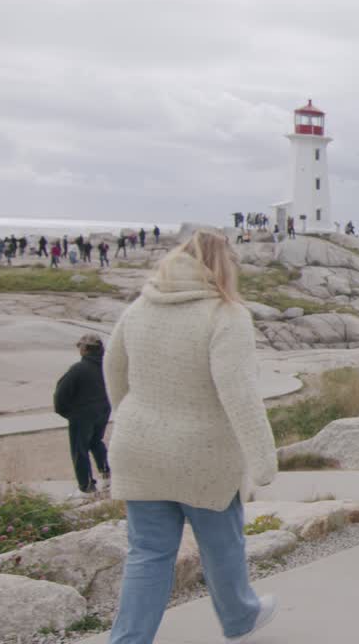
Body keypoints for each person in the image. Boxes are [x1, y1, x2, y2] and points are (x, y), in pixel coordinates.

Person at [103, 230, 278, 643]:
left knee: (147, 553)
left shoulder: (140, 306)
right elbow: (238, 392)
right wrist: (263, 459)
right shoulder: (225, 315)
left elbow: (113, 368)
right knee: (221, 546)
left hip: (139, 449)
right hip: (203, 454)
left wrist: (129, 414)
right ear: (224, 266)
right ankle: (239, 617)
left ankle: (127, 640)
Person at [54, 333, 112, 497]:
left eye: (80, 346)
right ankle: (107, 474)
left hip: (82, 414)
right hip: (103, 411)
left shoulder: (79, 369)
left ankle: (86, 487)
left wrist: (66, 412)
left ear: (86, 349)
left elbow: (60, 394)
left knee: (80, 448)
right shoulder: (106, 367)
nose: (79, 349)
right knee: (96, 442)